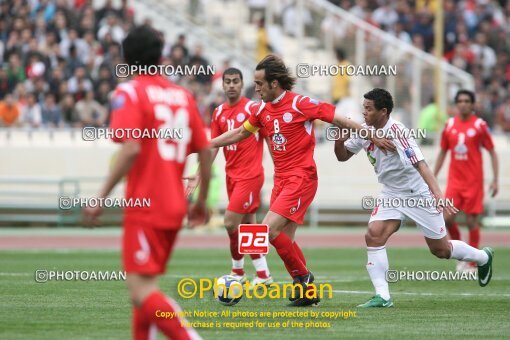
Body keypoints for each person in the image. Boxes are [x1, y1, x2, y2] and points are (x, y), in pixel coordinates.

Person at [210, 55, 395, 307]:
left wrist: (371, 136)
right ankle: (306, 293)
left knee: (267, 231)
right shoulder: (262, 109)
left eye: (260, 83)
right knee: (285, 240)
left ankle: (303, 277)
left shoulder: (299, 104)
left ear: (274, 84)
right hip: (281, 181)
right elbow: (242, 132)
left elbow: (340, 119)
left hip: (301, 178)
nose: (256, 88)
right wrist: (207, 144)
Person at [83, 26, 210, 340]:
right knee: (143, 292)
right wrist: (201, 201)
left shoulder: (129, 92)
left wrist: (100, 196)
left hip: (146, 206)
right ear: (160, 56)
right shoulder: (183, 96)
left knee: (141, 292)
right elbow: (206, 150)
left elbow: (131, 148)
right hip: (174, 206)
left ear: (126, 59)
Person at [334, 88, 494, 308]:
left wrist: (439, 196)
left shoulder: (398, 132)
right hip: (391, 193)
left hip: (417, 194)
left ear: (383, 111)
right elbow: (342, 157)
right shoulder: (364, 131)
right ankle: (383, 297)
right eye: (363, 108)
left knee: (441, 250)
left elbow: (421, 165)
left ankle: (483, 257)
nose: (364, 112)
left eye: (368, 109)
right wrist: (339, 141)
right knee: (373, 235)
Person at [187, 67, 273, 286]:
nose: (232, 85)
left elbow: (269, 139)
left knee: (229, 222)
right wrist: (198, 175)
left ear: (242, 84)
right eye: (228, 82)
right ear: (223, 85)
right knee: (249, 225)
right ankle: (263, 275)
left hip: (251, 176)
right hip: (231, 175)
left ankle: (237, 271)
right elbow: (213, 146)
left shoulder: (254, 109)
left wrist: (279, 168)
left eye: (236, 81)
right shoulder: (218, 113)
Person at [434, 89, 498, 272]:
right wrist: (432, 175)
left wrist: (494, 179)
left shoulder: (479, 125)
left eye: (466, 101)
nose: (463, 104)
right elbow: (443, 152)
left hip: (474, 182)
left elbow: (492, 152)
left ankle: (472, 263)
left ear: (472, 104)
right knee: (446, 219)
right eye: (460, 101)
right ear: (456, 104)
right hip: (455, 181)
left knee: (471, 221)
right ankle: (463, 253)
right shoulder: (449, 125)